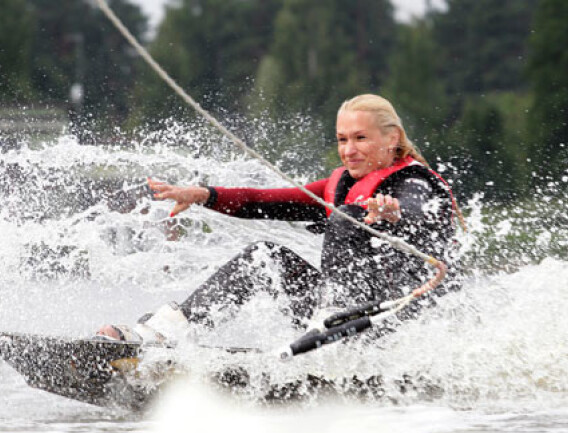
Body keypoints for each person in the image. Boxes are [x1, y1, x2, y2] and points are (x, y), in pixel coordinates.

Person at [96, 94, 458, 345]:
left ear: (392, 138)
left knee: (349, 216)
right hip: (336, 316)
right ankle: (163, 332)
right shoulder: (342, 185)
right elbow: (264, 201)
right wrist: (204, 194)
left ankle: (333, 324)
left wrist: (392, 214)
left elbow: (415, 211)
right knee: (263, 257)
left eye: (361, 138)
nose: (349, 149)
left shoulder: (416, 183)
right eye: (342, 139)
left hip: (397, 320)